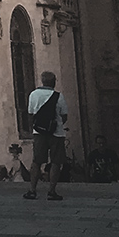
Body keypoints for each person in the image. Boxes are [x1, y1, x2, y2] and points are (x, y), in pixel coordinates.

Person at [23, 71, 68, 201]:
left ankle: (32, 190)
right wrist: (56, 125)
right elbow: (64, 115)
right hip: (56, 133)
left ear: (42, 81)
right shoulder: (58, 96)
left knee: (36, 162)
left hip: (39, 133)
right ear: (54, 82)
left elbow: (30, 113)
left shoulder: (34, 94)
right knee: (55, 162)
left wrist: (37, 127)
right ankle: (51, 191)